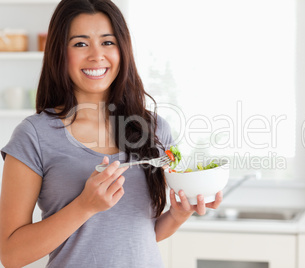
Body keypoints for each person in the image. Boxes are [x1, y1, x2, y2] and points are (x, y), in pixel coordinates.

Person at [0, 0, 223, 267]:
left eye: (107, 42)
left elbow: (142, 235)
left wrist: (176, 215)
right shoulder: (34, 135)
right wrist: (85, 206)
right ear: (60, 52)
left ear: (122, 49)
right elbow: (11, 255)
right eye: (80, 43)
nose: (96, 55)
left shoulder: (155, 129)